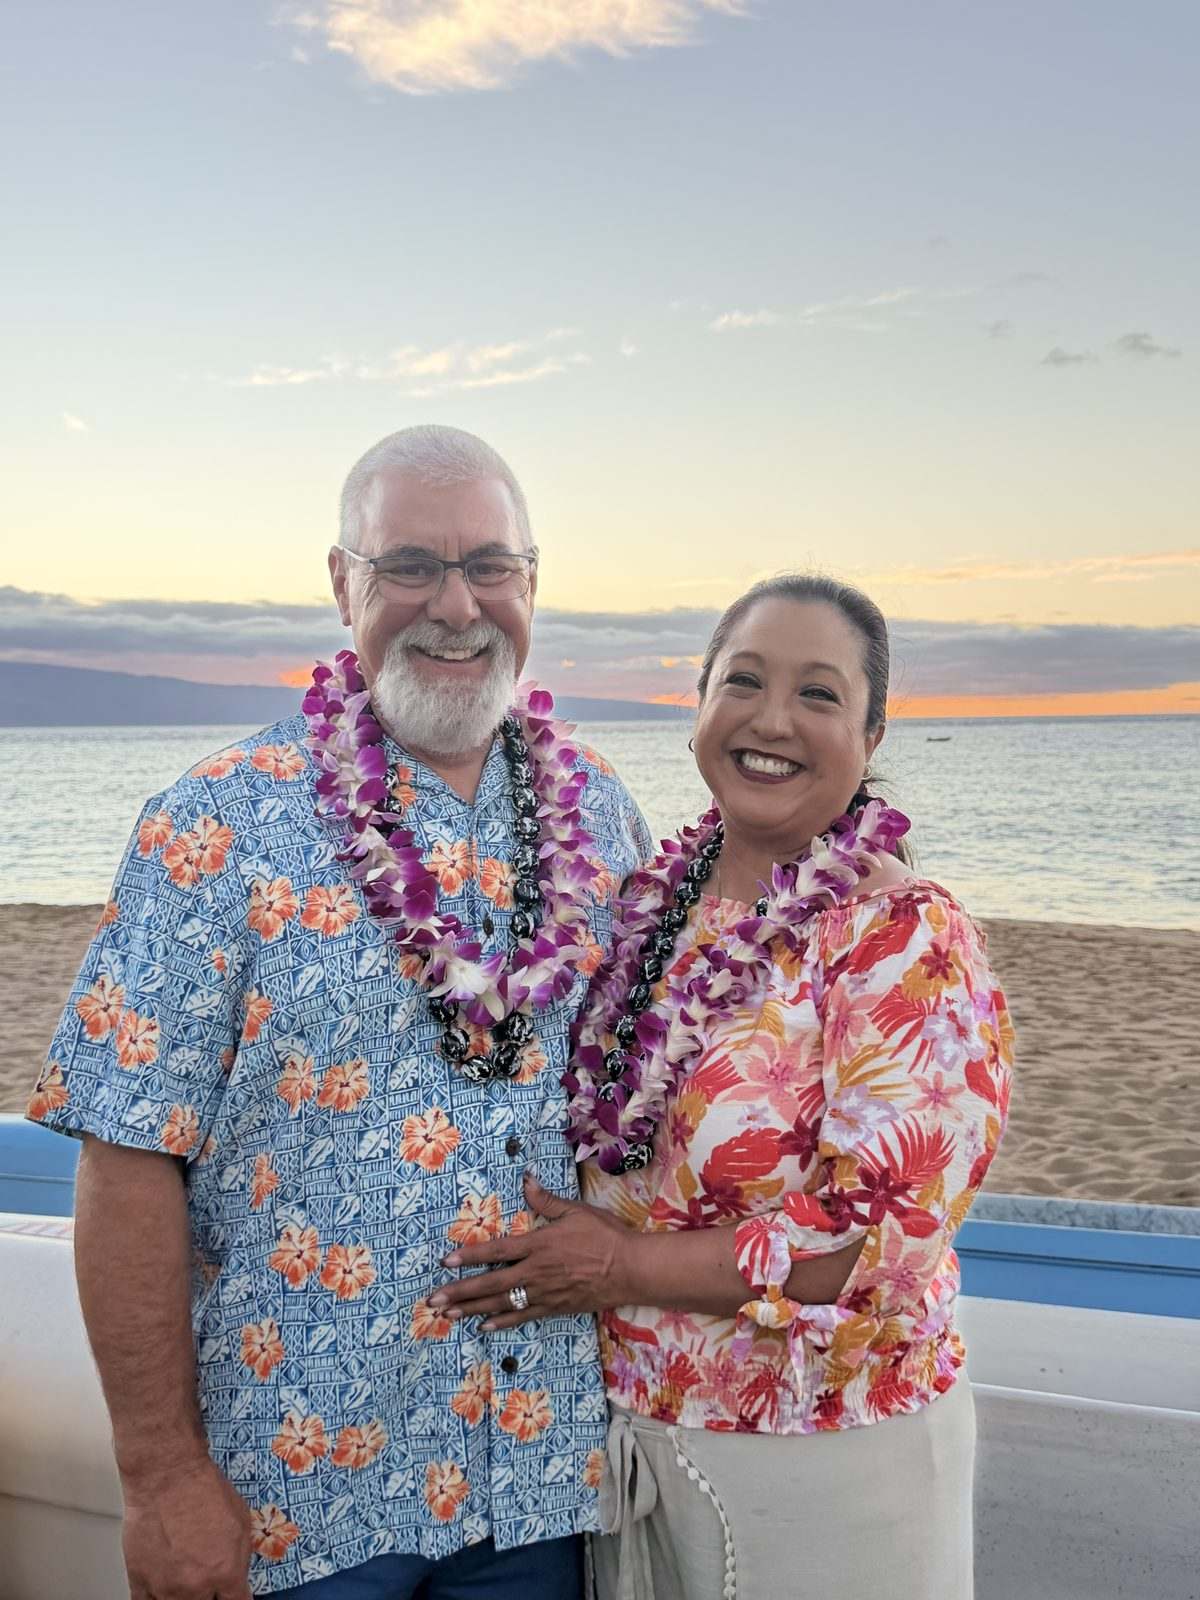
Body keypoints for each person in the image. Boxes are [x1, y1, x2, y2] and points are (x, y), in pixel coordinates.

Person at [26, 425, 652, 1600]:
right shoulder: (217, 820)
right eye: (409, 565)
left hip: (543, 1487)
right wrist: (161, 1475)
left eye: (489, 568)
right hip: (297, 1504)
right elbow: (125, 1157)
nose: (455, 606)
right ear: (342, 583)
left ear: (534, 582)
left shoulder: (602, 811)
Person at [430, 573, 1014, 1599]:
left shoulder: (903, 937)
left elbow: (866, 1241)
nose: (772, 720)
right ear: (699, 702)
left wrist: (617, 1267)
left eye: (819, 695)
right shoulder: (652, 903)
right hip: (636, 1439)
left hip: (825, 1455)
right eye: (742, 681)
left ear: (872, 736)